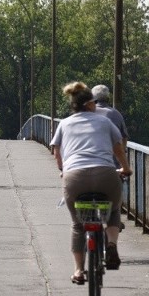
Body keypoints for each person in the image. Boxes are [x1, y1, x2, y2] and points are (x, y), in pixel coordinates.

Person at [50, 81, 132, 285]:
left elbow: (57, 153)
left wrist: (64, 170)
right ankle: (111, 245)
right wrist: (126, 168)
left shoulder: (64, 123)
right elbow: (118, 148)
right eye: (94, 103)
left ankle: (78, 271)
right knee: (113, 211)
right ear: (89, 105)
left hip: (74, 179)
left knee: (78, 225)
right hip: (105, 175)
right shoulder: (105, 123)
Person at [91, 84, 129, 152]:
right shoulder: (116, 114)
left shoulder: (87, 114)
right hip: (112, 159)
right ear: (107, 98)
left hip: (91, 158)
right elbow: (124, 137)